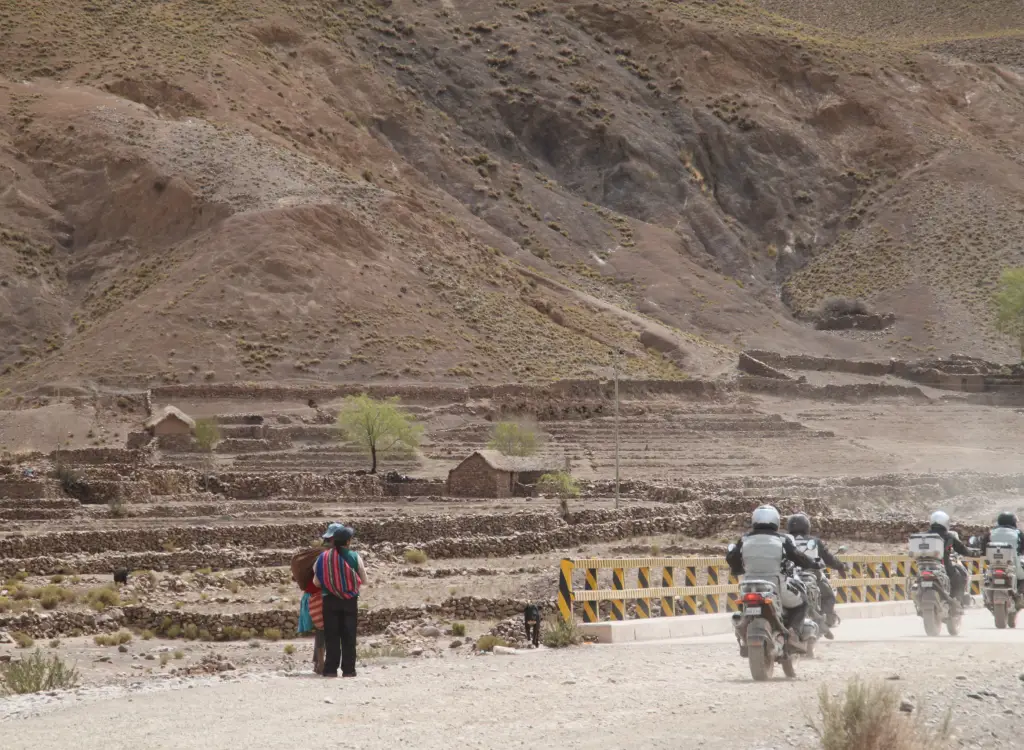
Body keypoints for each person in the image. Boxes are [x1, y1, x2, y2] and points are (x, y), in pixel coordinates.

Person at [726, 505, 822, 638]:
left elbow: (731, 558)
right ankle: (794, 632)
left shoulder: (744, 539)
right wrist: (814, 564)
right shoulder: (782, 540)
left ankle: (743, 627)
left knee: (742, 605)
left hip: (748, 587)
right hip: (776, 587)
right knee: (803, 602)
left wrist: (737, 570)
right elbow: (799, 557)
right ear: (776, 521)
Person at [312, 525, 367, 678]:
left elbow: (316, 582)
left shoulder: (322, 558)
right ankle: (349, 670)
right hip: (350, 602)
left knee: (332, 635)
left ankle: (330, 670)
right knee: (349, 635)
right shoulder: (355, 557)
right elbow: (363, 579)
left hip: (329, 601)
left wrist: (331, 583)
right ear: (348, 541)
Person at [786, 512, 846, 637]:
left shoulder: (784, 540)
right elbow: (829, 559)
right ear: (807, 526)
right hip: (811, 574)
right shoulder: (814, 541)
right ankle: (828, 620)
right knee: (829, 596)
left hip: (789, 575)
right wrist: (840, 566)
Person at [924, 511, 976, 608]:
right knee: (960, 575)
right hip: (943, 566)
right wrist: (973, 553)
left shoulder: (924, 536)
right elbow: (962, 549)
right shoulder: (948, 536)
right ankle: (957, 601)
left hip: (924, 567)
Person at [975, 512, 1024, 596]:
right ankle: (1019, 594)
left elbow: (983, 549)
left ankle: (986, 597)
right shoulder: (1018, 533)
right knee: (1022, 577)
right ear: (1012, 522)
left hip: (993, 565)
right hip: (1013, 565)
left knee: (987, 578)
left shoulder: (990, 533)